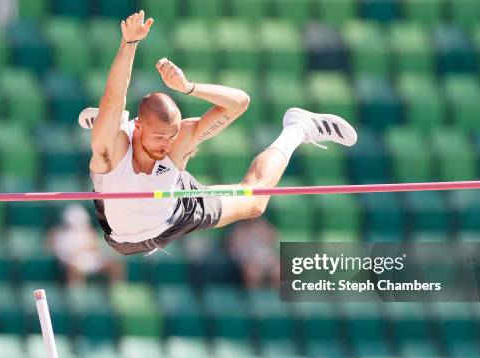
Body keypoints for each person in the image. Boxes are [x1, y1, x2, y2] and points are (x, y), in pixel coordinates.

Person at [80, 11, 358, 256]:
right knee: (109, 121)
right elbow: (114, 95)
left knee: (255, 202)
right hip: (121, 237)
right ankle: (112, 122)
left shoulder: (178, 142)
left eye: (171, 135)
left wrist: (189, 88)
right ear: (139, 127)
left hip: (174, 214)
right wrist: (129, 44)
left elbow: (240, 103)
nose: (167, 144)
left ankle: (299, 128)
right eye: (159, 137)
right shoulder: (112, 154)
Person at [47, 204, 124, 286]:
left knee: (115, 266)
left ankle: (116, 292)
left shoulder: (89, 232)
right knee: (73, 270)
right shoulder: (59, 234)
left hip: (92, 261)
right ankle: (77, 295)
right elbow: (58, 252)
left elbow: (96, 248)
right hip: (74, 263)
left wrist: (92, 249)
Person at [227, 218, 280, 289]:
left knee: (278, 271)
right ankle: (253, 296)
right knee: (253, 273)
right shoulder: (238, 229)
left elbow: (272, 244)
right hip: (248, 259)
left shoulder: (265, 227)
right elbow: (234, 250)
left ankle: (274, 296)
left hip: (265, 258)